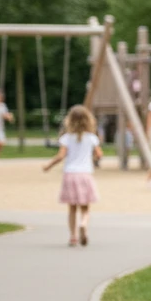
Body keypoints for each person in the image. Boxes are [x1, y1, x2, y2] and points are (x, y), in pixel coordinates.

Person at [43, 104, 102, 247]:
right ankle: (83, 224)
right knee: (85, 208)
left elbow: (60, 156)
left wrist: (49, 166)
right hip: (85, 174)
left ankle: (73, 236)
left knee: (72, 208)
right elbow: (99, 154)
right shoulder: (92, 138)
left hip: (70, 174)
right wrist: (91, 159)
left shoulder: (66, 138)